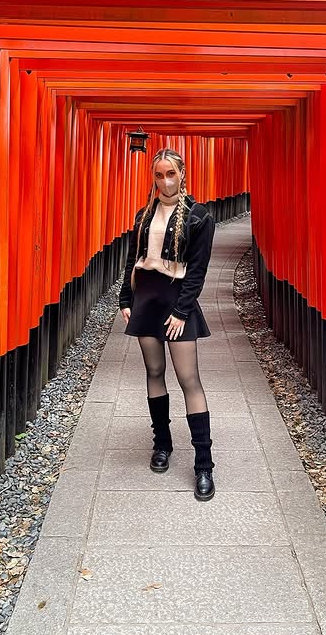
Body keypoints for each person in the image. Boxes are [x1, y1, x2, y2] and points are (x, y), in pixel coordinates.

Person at [119, 147, 216, 501]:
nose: (165, 181)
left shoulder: (198, 216)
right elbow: (134, 258)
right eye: (159, 175)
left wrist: (181, 310)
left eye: (170, 174)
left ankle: (203, 465)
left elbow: (198, 270)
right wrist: (125, 300)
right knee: (154, 372)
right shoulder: (144, 215)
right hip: (146, 296)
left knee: (189, 378)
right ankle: (162, 444)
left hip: (177, 299)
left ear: (182, 174)